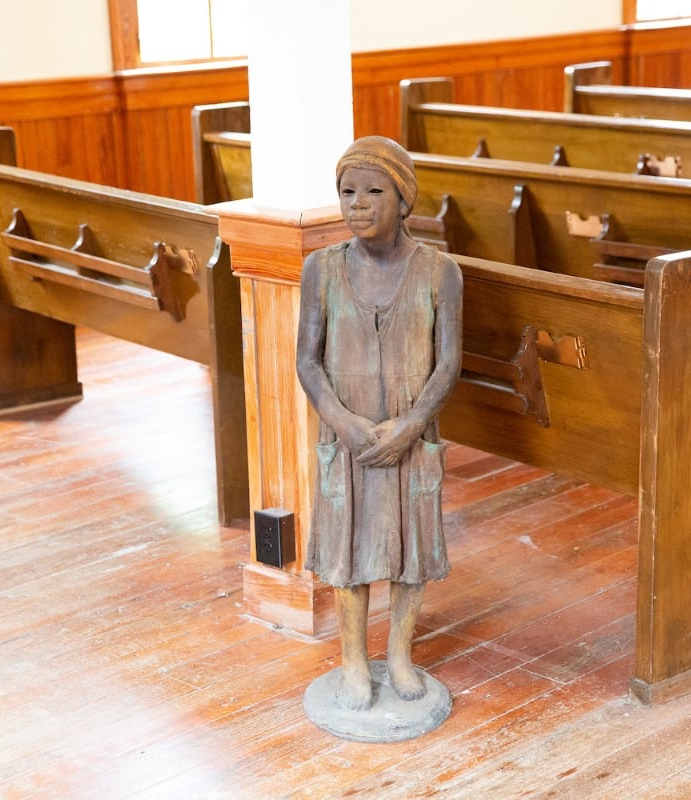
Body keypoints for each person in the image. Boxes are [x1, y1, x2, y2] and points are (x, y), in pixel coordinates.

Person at [296, 136, 463, 711]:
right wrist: (341, 421)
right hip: (346, 441)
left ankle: (398, 654)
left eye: (373, 191)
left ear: (403, 197)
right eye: (347, 192)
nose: (358, 204)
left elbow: (448, 364)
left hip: (410, 441)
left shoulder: (441, 273)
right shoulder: (320, 269)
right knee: (346, 549)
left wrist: (412, 425)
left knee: (409, 547)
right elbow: (307, 361)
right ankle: (350, 658)